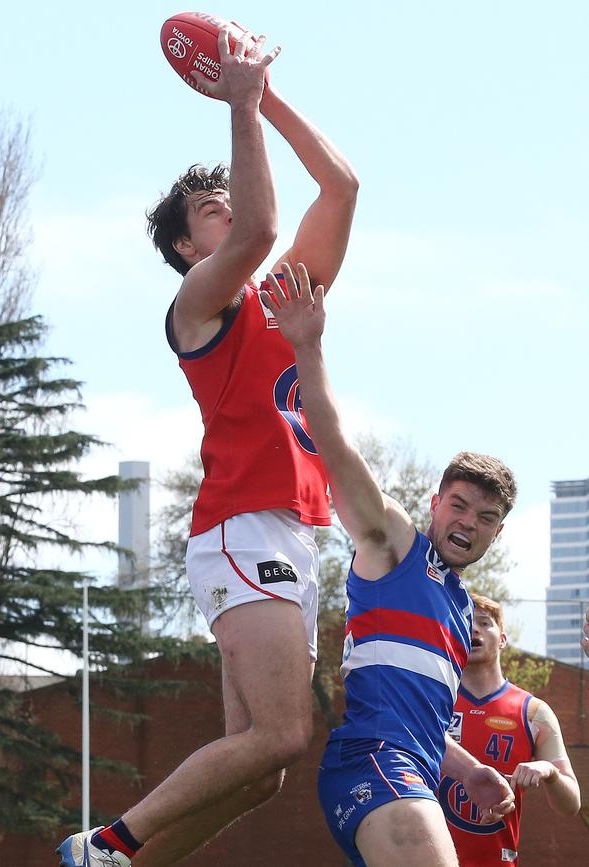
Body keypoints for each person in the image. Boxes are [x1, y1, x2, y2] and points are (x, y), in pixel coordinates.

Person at [57, 24, 358, 867]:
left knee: (260, 768)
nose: (226, 205)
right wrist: (239, 103)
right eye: (207, 210)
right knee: (282, 733)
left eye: (225, 195)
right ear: (190, 249)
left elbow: (340, 184)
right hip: (242, 526)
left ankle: (120, 863)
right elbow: (260, 225)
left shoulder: (279, 296)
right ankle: (104, 843)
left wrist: (263, 91)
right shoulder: (199, 303)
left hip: (293, 532)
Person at [262, 264, 517, 867]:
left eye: (484, 518)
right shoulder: (395, 544)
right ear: (435, 503)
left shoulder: (459, 609)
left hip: (410, 773)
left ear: (497, 532)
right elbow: (338, 449)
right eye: (458, 505)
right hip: (375, 763)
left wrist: (474, 769)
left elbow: (421, 718)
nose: (466, 523)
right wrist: (307, 345)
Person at [438, 593, 581, 865]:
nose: (474, 629)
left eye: (484, 622)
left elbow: (571, 805)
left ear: (502, 639)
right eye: (466, 623)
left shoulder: (534, 712)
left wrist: (549, 772)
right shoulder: (431, 702)